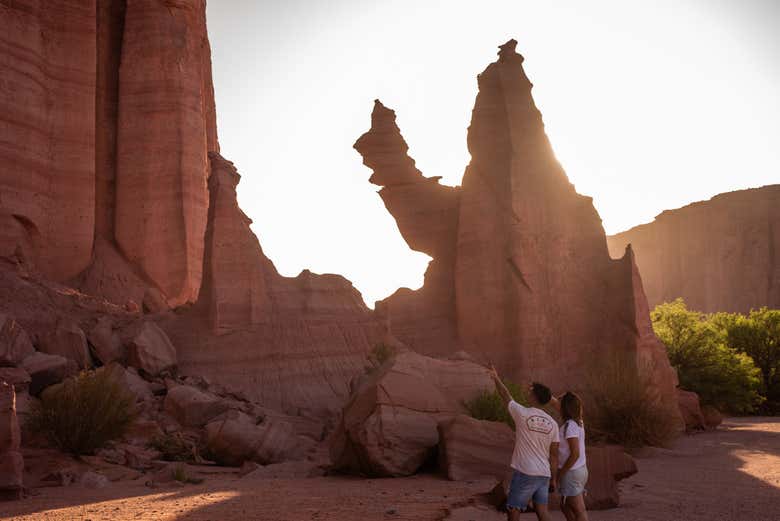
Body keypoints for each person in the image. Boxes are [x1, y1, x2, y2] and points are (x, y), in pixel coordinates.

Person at [488, 365, 559, 521]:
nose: (528, 393)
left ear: (534, 397)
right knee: (542, 512)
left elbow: (505, 395)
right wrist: (553, 479)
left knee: (513, 511)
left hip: (526, 471)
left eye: (530, 391)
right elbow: (554, 455)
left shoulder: (522, 414)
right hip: (544, 473)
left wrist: (495, 377)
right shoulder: (553, 424)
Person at [555, 392, 589, 521]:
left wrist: (561, 473)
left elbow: (575, 454)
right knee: (565, 506)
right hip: (579, 470)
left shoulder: (570, 426)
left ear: (565, 408)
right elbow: (556, 404)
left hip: (571, 472)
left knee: (579, 510)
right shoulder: (578, 422)